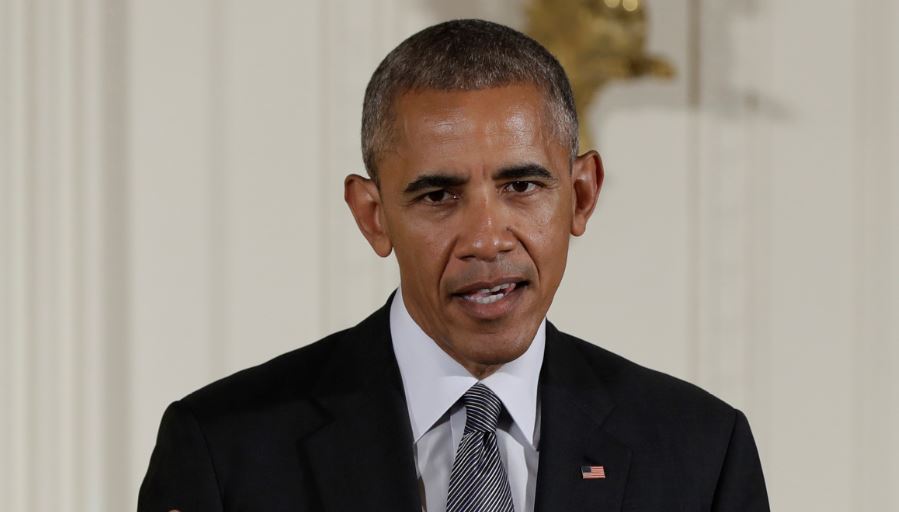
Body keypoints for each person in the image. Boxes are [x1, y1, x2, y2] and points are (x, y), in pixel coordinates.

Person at [138, 19, 769, 512]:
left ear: (581, 195)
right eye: (438, 196)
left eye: (522, 186)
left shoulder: (701, 452)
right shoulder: (225, 448)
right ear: (372, 215)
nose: (487, 239)